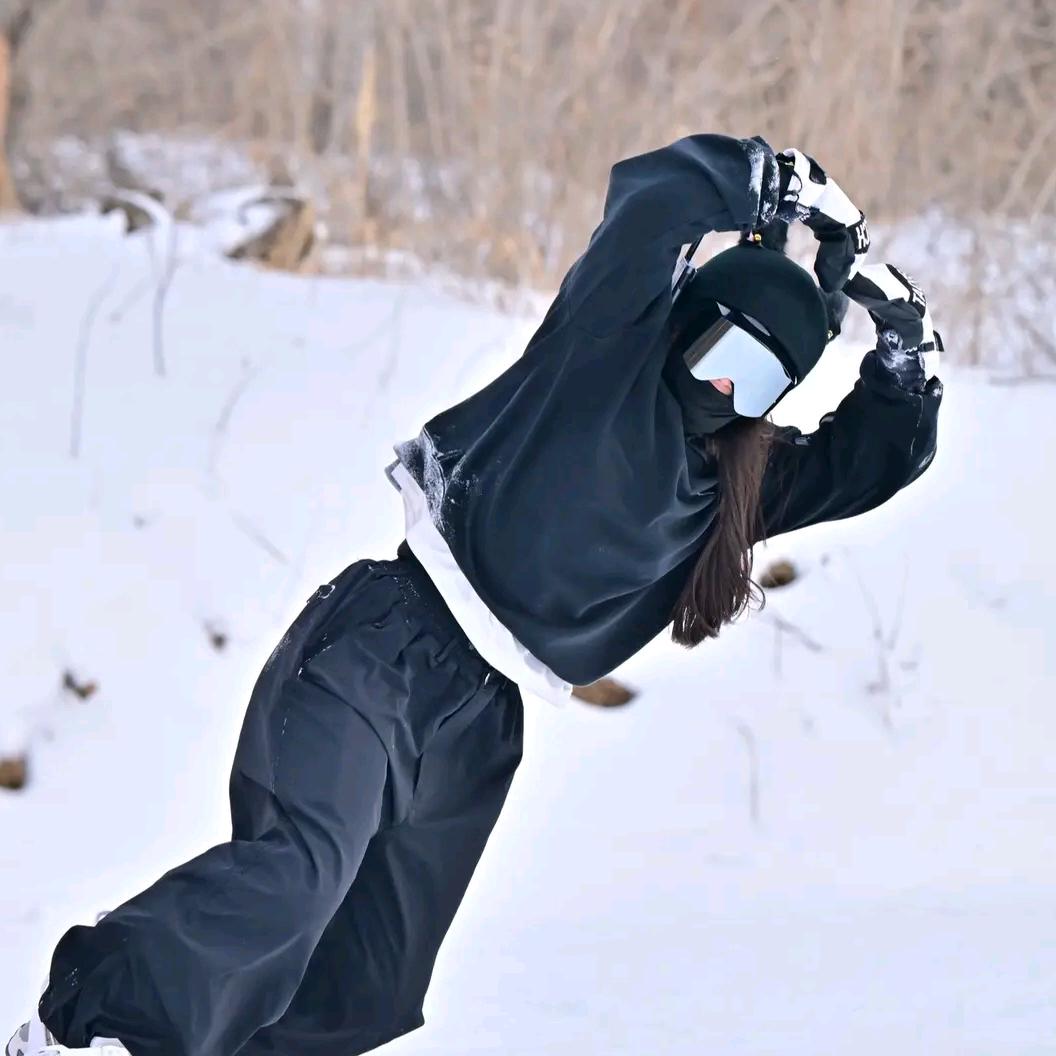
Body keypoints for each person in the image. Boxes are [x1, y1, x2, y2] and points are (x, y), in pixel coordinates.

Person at [9, 134, 943, 1056]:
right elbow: (653, 202)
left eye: (762, 383)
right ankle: (75, 1036)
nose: (729, 391)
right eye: (724, 356)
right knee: (296, 880)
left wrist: (903, 352)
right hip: (382, 648)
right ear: (688, 326)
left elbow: (872, 460)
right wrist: (770, 184)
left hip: (482, 724)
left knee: (372, 984)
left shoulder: (728, 491)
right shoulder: (600, 361)